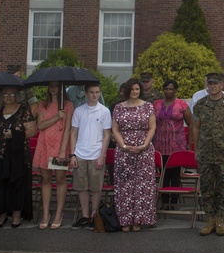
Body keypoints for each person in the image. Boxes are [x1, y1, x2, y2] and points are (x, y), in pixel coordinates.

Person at [190, 72, 224, 235]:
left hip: (223, 151)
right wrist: (196, 148)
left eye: (215, 84)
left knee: (222, 187)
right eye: (210, 84)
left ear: (221, 86)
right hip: (205, 152)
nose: (212, 87)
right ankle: (209, 219)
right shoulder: (200, 104)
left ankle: (220, 219)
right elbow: (195, 127)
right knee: (206, 187)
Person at [111, 78, 157, 232]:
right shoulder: (118, 108)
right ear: (127, 90)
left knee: (142, 186)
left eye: (137, 89)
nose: (134, 92)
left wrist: (144, 145)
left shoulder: (148, 106)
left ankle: (139, 219)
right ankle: (125, 220)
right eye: (132, 89)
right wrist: (123, 146)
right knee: (124, 185)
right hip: (124, 151)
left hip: (144, 150)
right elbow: (115, 130)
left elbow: (152, 127)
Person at [0, 86, 36, 228]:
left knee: (17, 184)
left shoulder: (24, 111)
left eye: (12, 94)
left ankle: (16, 215)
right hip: (0, 154)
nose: (8, 97)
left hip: (18, 154)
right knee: (0, 185)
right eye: (5, 94)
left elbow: (32, 131)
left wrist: (14, 135)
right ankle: (1, 214)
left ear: (17, 96)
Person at [68, 83, 113, 229]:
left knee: (95, 187)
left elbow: (107, 135)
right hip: (80, 152)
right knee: (82, 186)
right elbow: (73, 132)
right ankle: (85, 216)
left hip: (96, 153)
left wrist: (102, 155)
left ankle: (95, 215)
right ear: (86, 93)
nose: (95, 95)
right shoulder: (79, 111)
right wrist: (72, 154)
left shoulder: (105, 111)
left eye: (97, 92)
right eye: (92, 92)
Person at [32, 82, 74, 230]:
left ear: (61, 88)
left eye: (56, 85)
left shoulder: (68, 105)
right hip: (44, 146)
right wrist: (57, 116)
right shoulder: (43, 104)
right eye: (51, 85)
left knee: (61, 179)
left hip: (59, 147)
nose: (53, 88)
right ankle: (45, 214)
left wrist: (63, 151)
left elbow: (68, 129)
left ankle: (58, 214)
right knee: (46, 179)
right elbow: (41, 126)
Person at [153, 79, 193, 189]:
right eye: (166, 89)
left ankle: (174, 202)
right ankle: (165, 202)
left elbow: (190, 124)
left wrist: (190, 143)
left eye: (171, 89)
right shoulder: (157, 104)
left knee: (175, 174)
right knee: (163, 174)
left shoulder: (182, 104)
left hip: (177, 145)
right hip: (160, 144)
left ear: (175, 90)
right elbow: (152, 124)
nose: (168, 91)